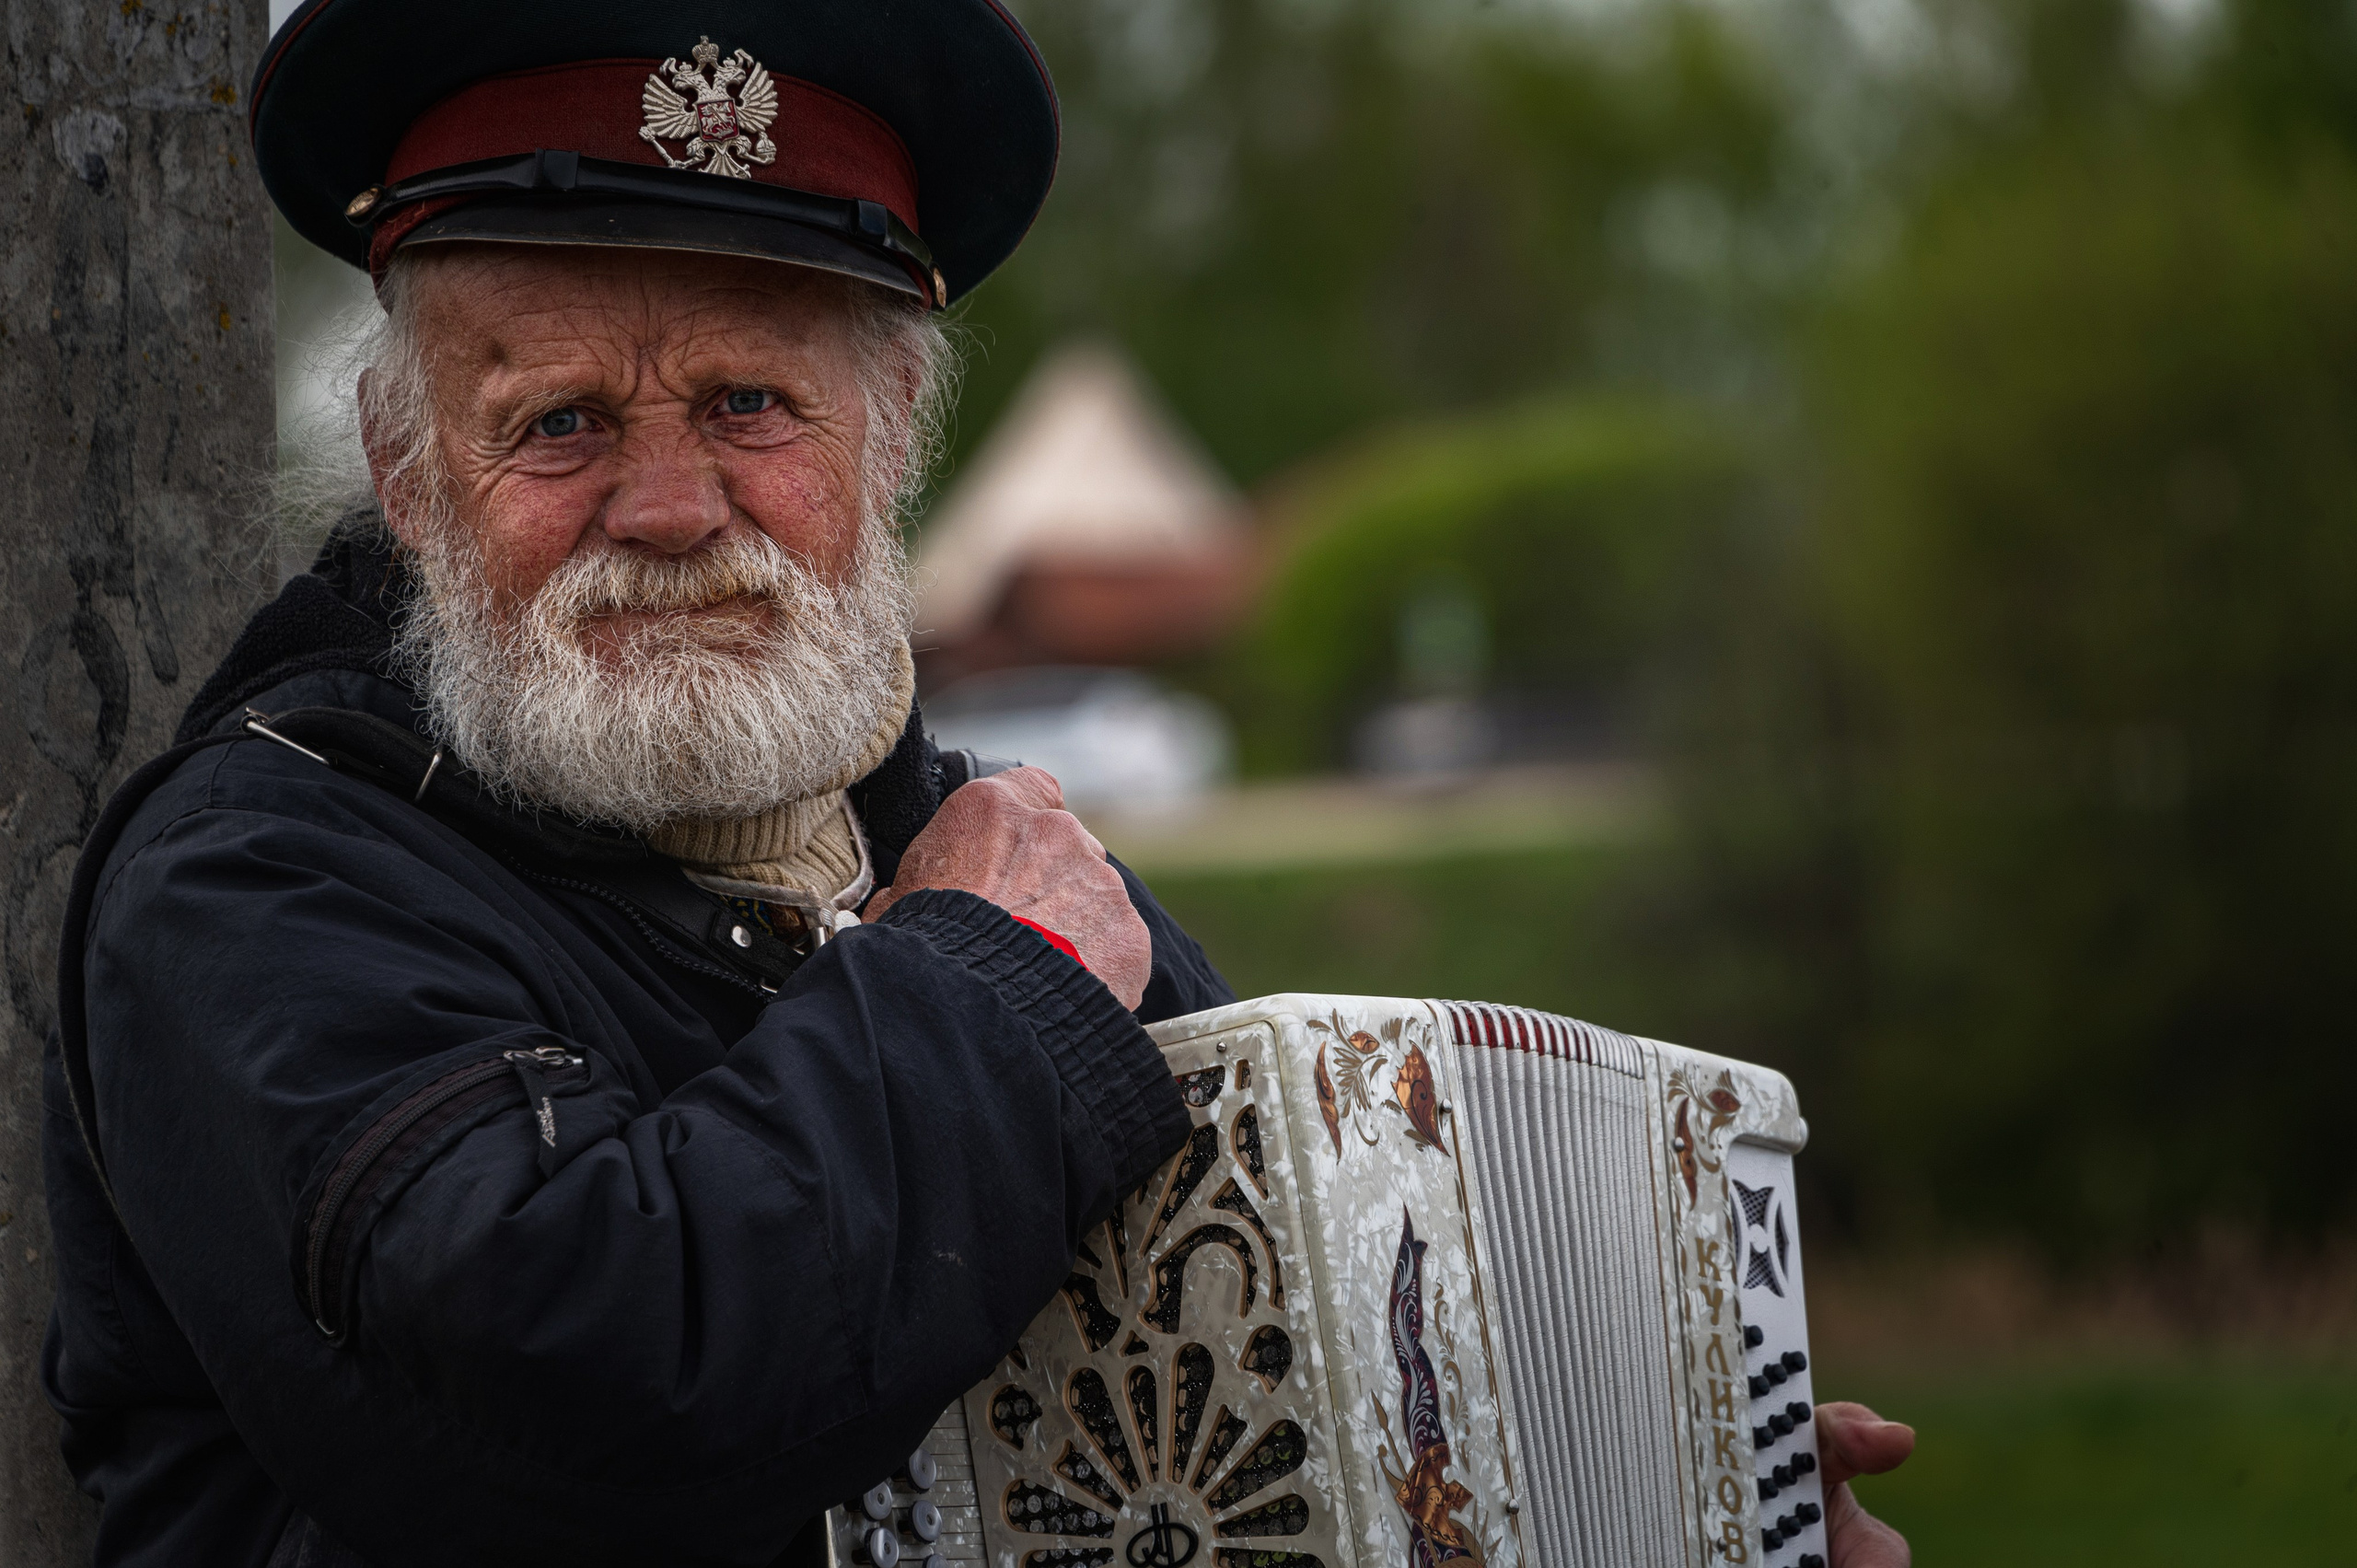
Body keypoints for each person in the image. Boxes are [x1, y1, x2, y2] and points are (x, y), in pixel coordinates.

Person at [38, 3, 1914, 1563]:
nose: (672, 507)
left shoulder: (976, 870)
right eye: (560, 422)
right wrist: (969, 980)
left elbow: (1296, 1384)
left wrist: (1680, 1510)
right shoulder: (253, 882)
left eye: (753, 407)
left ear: (893, 441)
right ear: (406, 467)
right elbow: (589, 1391)